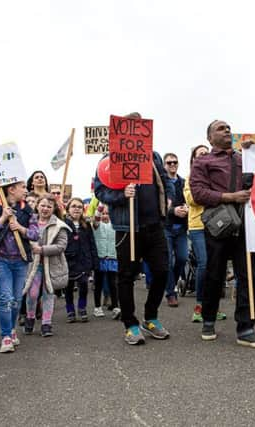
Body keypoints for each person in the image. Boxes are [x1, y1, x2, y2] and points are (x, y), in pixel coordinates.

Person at [94, 112, 174, 345]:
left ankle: (151, 317)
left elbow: (166, 181)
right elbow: (100, 191)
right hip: (127, 227)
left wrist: (167, 199)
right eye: (130, 127)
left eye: (139, 126)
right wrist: (121, 195)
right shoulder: (109, 158)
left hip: (155, 225)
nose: (135, 130)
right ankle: (130, 324)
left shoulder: (154, 155)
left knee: (161, 271)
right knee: (126, 276)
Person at [190, 120, 255, 348]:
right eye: (220, 128)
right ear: (210, 138)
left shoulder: (245, 158)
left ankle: (246, 328)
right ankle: (208, 319)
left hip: (247, 226)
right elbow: (198, 193)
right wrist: (230, 197)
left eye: (228, 127)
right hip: (219, 226)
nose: (227, 130)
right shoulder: (203, 162)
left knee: (247, 276)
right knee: (214, 275)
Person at [0, 180, 40, 353]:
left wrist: (20, 227)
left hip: (21, 259)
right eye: (23, 188)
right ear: (11, 189)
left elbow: (35, 234)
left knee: (17, 299)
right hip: (0, 259)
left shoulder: (27, 210)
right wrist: (3, 218)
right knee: (6, 298)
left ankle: (11, 329)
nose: (26, 191)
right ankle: (5, 336)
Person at [184, 144, 227, 322]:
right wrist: (215, 195)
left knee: (217, 266)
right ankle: (199, 306)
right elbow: (192, 199)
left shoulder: (217, 177)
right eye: (199, 154)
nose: (204, 156)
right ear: (193, 160)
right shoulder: (189, 178)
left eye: (206, 153)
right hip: (199, 226)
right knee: (204, 264)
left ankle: (213, 307)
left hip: (217, 225)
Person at [23, 193, 70, 336]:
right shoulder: (29, 222)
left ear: (54, 208)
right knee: (32, 293)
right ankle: (30, 318)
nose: (45, 208)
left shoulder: (59, 225)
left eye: (49, 206)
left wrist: (42, 250)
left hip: (52, 265)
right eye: (42, 205)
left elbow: (61, 246)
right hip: (33, 265)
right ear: (37, 206)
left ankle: (46, 324)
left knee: (48, 294)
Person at [63, 197, 99, 322]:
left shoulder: (86, 225)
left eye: (79, 207)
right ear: (68, 209)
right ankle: (70, 310)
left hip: (84, 261)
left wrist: (94, 262)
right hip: (68, 261)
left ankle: (82, 308)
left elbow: (92, 243)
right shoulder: (63, 224)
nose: (76, 209)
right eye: (73, 206)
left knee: (84, 286)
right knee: (68, 288)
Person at [163, 152, 188, 308]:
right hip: (166, 227)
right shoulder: (161, 184)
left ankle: (173, 281)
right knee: (168, 261)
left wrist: (186, 208)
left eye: (175, 162)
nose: (172, 164)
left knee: (182, 258)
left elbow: (190, 199)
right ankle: (171, 292)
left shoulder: (184, 182)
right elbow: (159, 205)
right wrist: (173, 211)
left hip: (182, 228)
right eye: (169, 162)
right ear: (164, 165)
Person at [92, 204, 120, 319]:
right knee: (98, 283)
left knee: (113, 283)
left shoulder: (115, 225)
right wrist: (100, 206)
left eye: (107, 213)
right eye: (103, 213)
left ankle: (115, 306)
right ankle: (97, 307)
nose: (105, 216)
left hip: (112, 258)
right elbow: (96, 219)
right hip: (100, 258)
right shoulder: (96, 226)